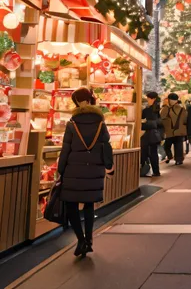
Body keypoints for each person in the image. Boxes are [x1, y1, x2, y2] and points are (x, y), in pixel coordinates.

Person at [58, 87, 114, 257]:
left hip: (72, 170)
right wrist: (109, 167)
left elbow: (65, 149)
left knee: (71, 205)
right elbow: (107, 147)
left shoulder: (72, 123)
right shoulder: (100, 123)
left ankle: (81, 240)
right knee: (89, 205)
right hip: (94, 169)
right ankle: (89, 240)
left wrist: (60, 171)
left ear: (76, 102)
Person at [140, 91, 163, 177]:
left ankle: (144, 170)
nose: (147, 100)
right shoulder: (159, 109)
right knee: (153, 153)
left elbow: (155, 123)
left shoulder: (149, 110)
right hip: (155, 135)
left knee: (146, 153)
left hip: (148, 134)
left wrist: (145, 122)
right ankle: (155, 171)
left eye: (148, 99)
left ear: (152, 99)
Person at [160, 93, 187, 165]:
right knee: (178, 145)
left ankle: (169, 156)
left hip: (170, 131)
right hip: (180, 131)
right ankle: (179, 160)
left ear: (170, 100)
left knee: (166, 146)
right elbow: (185, 120)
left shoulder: (166, 109)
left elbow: (162, 118)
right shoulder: (182, 109)